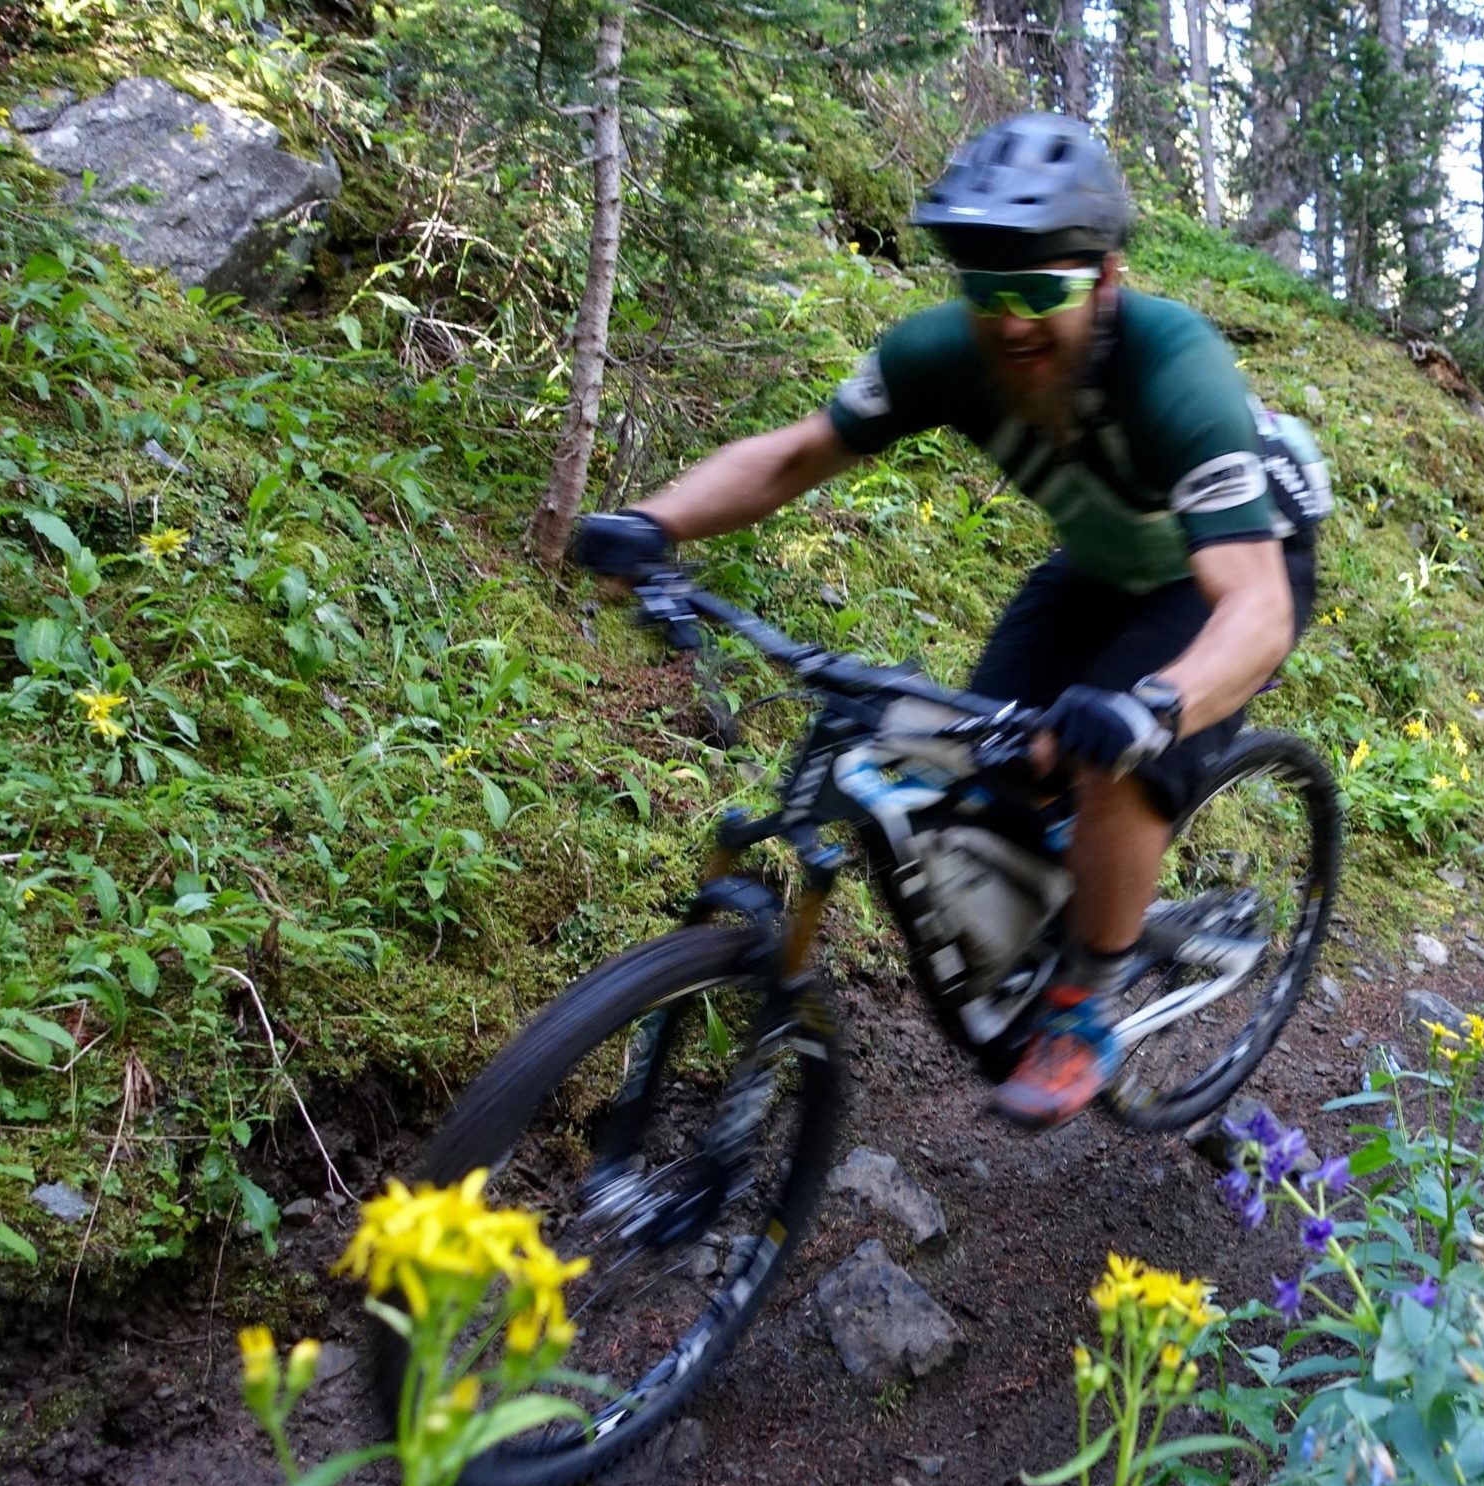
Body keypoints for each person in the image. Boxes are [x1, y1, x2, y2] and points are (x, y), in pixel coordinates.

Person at [568, 113, 1332, 1129]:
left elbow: (1256, 608)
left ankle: (1086, 1002)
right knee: (993, 760)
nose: (1009, 321)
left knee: (1115, 762)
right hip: (1103, 559)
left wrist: (1155, 705)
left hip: (1236, 566)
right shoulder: (944, 352)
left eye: (1039, 289)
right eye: (984, 288)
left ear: (1104, 279)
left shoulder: (1170, 367)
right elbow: (796, 456)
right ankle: (1076, 904)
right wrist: (652, 523)